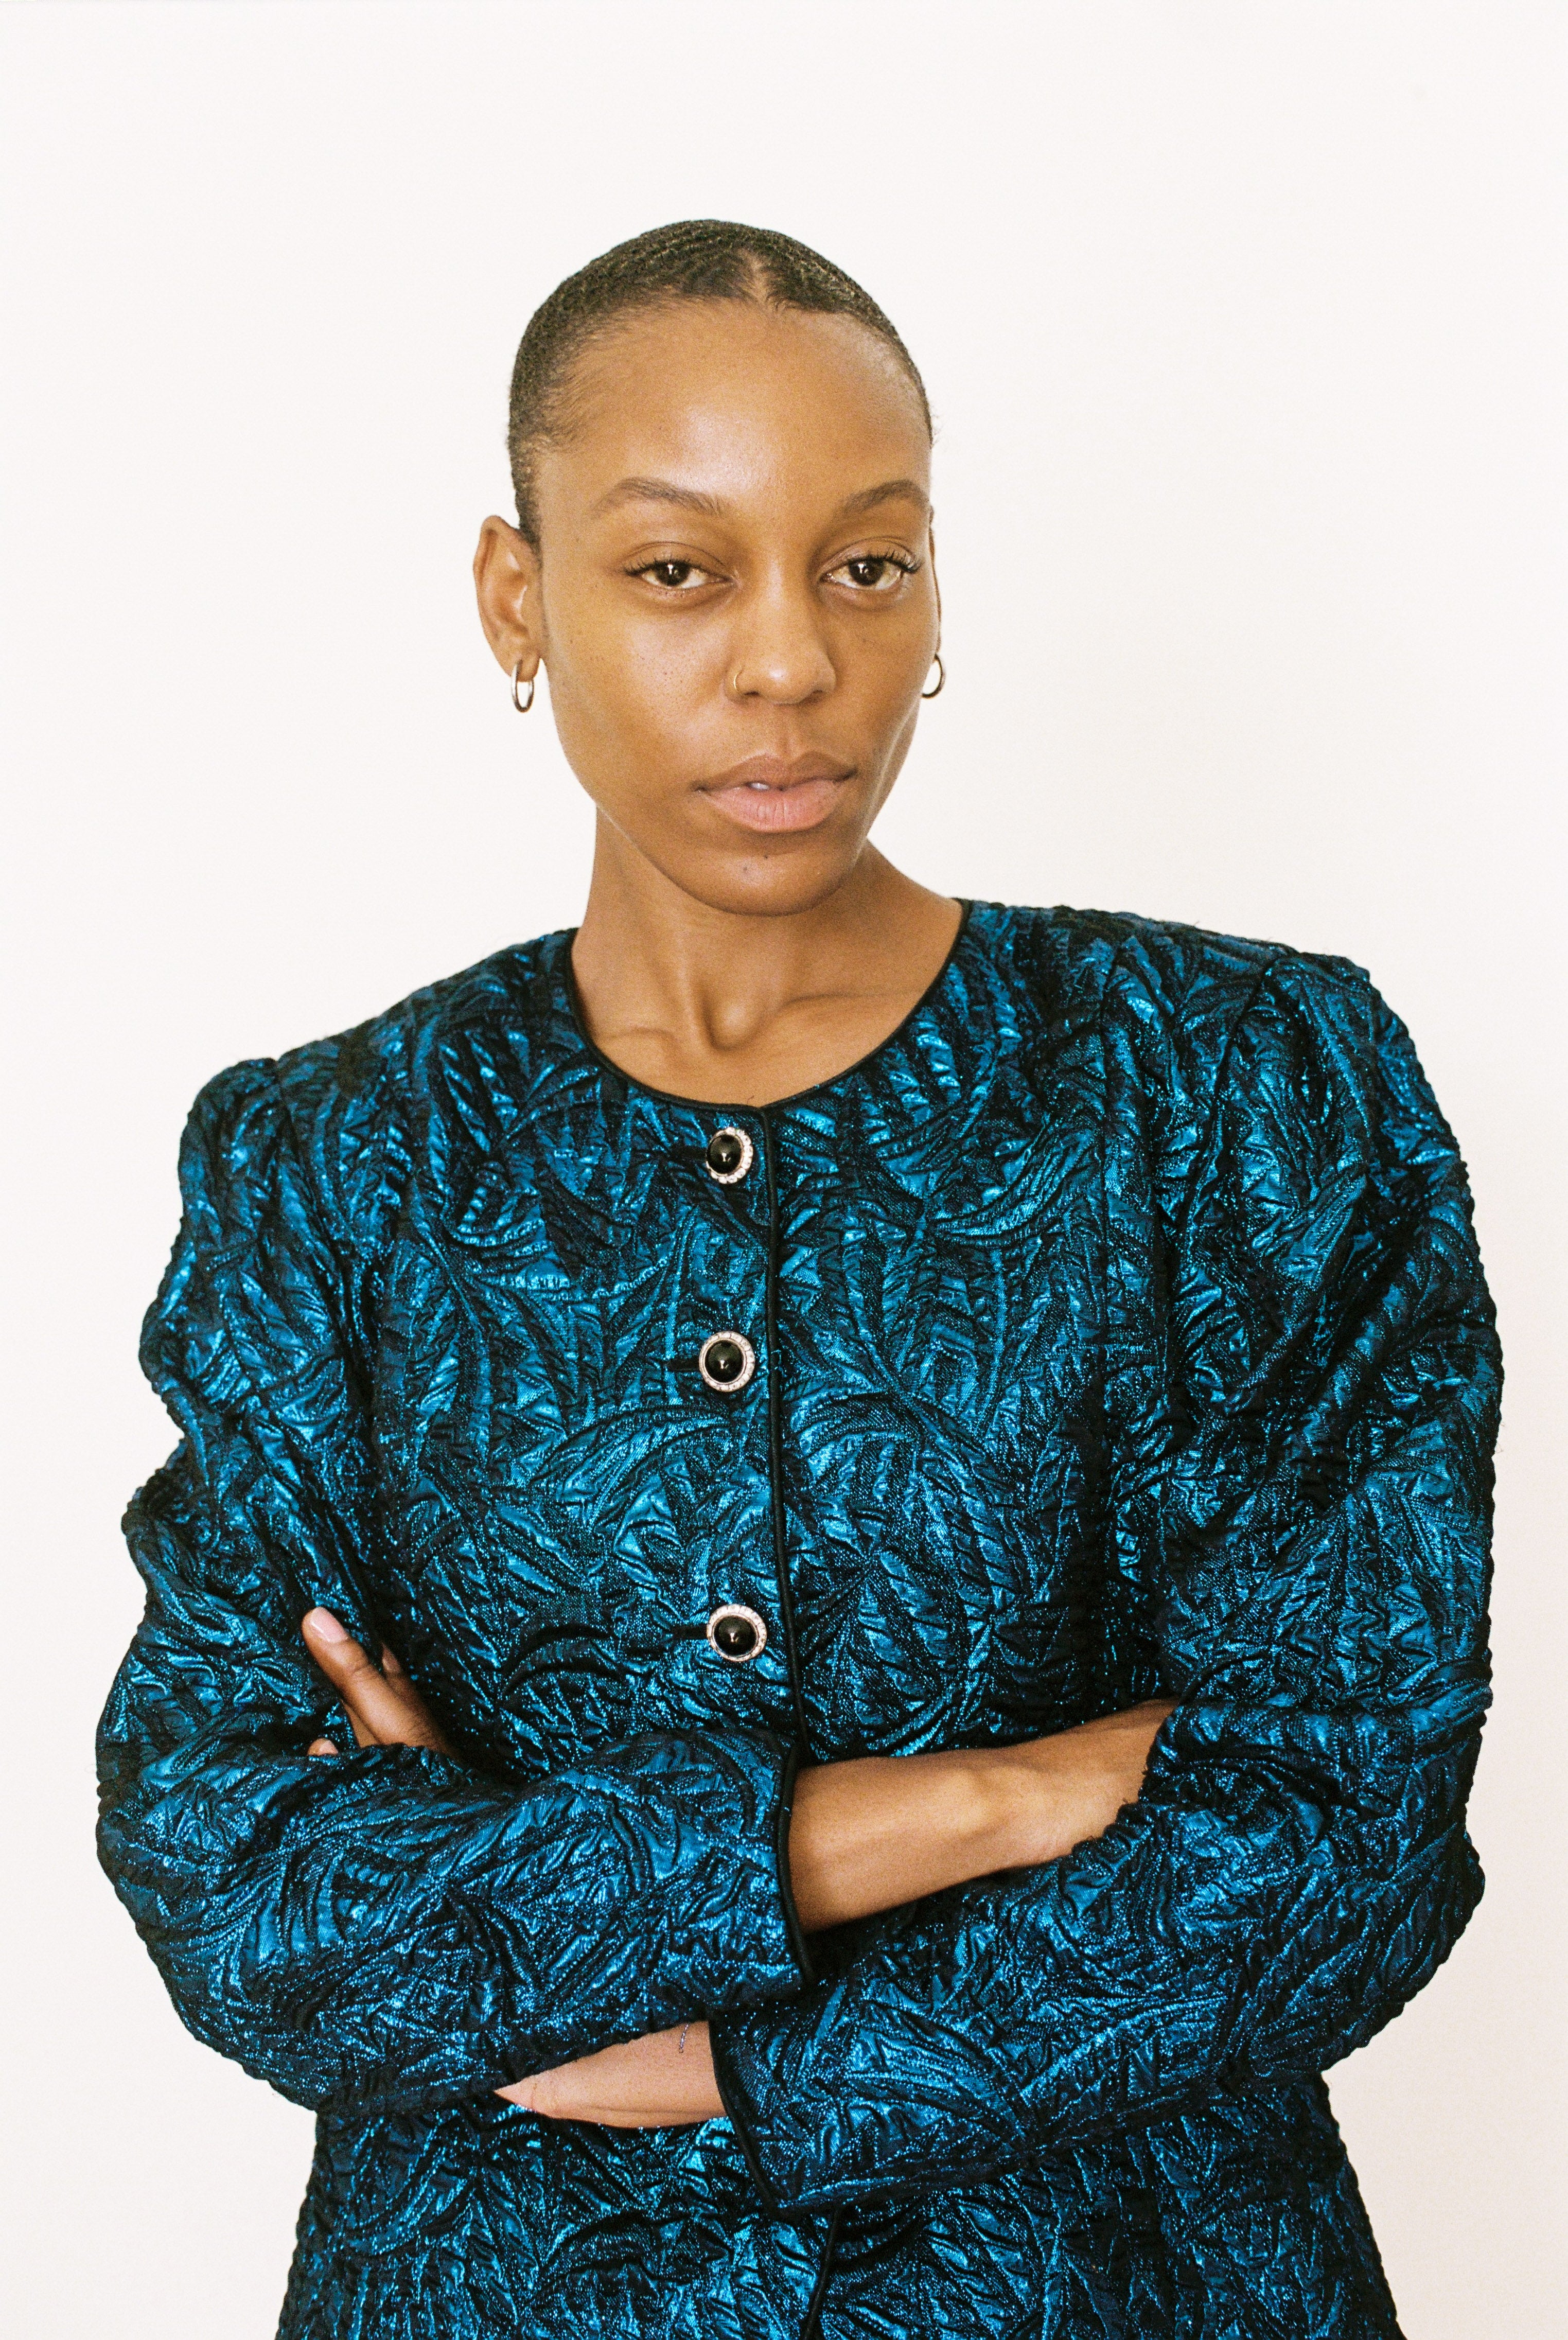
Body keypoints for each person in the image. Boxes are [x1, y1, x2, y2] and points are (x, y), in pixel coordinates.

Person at [97, 221, 1500, 2340]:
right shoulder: (339, 1166)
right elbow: (240, 1881)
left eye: (868, 565)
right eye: (680, 570)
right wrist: (982, 1801)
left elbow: (1344, 1832)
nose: (790, 663)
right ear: (519, 596)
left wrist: (702, 2041)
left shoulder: (1236, 1092)